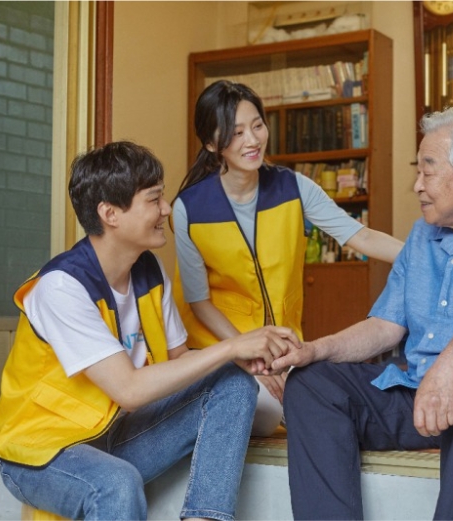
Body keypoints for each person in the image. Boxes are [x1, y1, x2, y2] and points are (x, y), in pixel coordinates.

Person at [0, 141, 299, 521]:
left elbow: (182, 363)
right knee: (116, 483)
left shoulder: (148, 271)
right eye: (154, 200)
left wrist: (242, 362)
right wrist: (232, 346)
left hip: (114, 437)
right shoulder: (62, 287)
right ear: (110, 214)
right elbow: (130, 390)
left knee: (233, 384)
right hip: (40, 453)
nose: (166, 210)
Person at [272, 107, 453, 520]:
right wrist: (315, 350)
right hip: (426, 396)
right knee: (313, 383)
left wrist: (448, 368)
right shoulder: (424, 234)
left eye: (428, 172)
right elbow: (386, 326)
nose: (417, 185)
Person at [172, 80, 404, 436]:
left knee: (325, 406)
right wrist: (247, 354)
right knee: (262, 411)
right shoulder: (189, 208)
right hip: (219, 349)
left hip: (284, 348)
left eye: (257, 125)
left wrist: (427, 257)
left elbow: (361, 235)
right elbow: (199, 302)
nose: (252, 141)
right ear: (211, 143)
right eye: (236, 133)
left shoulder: (294, 187)